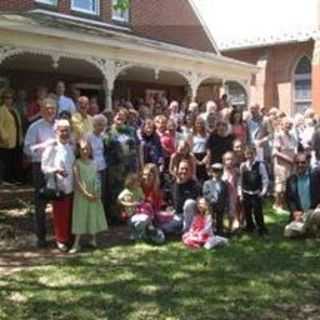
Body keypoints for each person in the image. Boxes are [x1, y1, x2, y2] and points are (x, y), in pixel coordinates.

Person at [24, 98, 57, 248]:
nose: (50, 111)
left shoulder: (59, 126)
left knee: (60, 202)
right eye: (47, 108)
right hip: (40, 167)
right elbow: (27, 149)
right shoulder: (34, 127)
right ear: (41, 109)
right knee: (40, 203)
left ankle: (60, 235)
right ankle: (41, 237)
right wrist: (44, 145)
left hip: (58, 167)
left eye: (53, 108)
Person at [41, 119, 75, 252]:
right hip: (58, 186)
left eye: (67, 130)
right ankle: (61, 240)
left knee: (69, 214)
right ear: (56, 131)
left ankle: (68, 238)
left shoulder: (70, 146)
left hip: (71, 185)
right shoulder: (51, 147)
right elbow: (44, 167)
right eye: (62, 130)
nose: (65, 133)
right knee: (60, 215)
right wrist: (56, 170)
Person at [70, 139, 108, 253]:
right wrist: (85, 193)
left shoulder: (95, 162)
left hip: (94, 193)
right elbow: (77, 181)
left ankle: (93, 239)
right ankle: (76, 243)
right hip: (82, 194)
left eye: (87, 148)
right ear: (79, 150)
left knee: (92, 214)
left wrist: (97, 192)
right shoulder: (76, 163)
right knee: (80, 216)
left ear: (91, 150)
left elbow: (97, 178)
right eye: (82, 149)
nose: (85, 151)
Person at [118, 173, 164, 243]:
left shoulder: (139, 189)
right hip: (130, 213)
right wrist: (129, 204)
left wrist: (140, 202)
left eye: (138, 182)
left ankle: (149, 232)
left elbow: (142, 198)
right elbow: (119, 201)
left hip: (139, 210)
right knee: (138, 222)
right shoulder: (126, 192)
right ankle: (136, 234)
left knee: (146, 217)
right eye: (137, 182)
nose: (139, 183)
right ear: (131, 183)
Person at [284, 152, 320, 238]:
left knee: (318, 214)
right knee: (288, 233)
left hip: (314, 211)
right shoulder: (291, 179)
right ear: (294, 164)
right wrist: (294, 212)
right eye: (297, 162)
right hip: (301, 215)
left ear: (307, 163)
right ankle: (312, 229)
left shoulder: (316, 175)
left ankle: (311, 228)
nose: (300, 165)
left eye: (303, 162)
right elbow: (289, 199)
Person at [238, 146, 269, 236]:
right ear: (245, 155)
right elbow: (241, 180)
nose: (249, 156)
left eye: (251, 154)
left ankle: (261, 228)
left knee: (257, 211)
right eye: (247, 154)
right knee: (247, 211)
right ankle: (249, 226)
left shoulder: (260, 165)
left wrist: (263, 191)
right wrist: (240, 193)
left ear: (255, 154)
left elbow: (265, 179)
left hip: (256, 192)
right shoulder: (243, 165)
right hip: (246, 192)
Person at [273, 117, 297, 213]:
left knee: (289, 185)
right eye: (286, 124)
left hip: (291, 164)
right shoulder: (278, 136)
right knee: (280, 186)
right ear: (282, 125)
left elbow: (294, 150)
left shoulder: (293, 136)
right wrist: (288, 159)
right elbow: (275, 152)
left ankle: (283, 204)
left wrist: (295, 159)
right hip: (281, 164)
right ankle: (277, 205)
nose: (288, 126)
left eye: (290, 124)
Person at [0, 88, 24, 184]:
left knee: (14, 161)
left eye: (11, 98)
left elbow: (18, 125)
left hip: (16, 140)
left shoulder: (14, 110)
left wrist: (21, 137)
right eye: (7, 98)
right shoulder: (1, 110)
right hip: (6, 141)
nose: (9, 100)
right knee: (6, 162)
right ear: (3, 99)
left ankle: (13, 178)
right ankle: (6, 179)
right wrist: (4, 137)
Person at [87, 114, 108, 215]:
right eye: (99, 124)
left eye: (103, 125)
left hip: (102, 166)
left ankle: (101, 216)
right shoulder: (88, 136)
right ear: (94, 125)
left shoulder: (104, 136)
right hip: (92, 168)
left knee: (102, 193)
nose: (101, 127)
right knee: (93, 192)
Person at [203, 163, 229, 235]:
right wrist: (211, 199)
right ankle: (210, 232)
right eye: (215, 171)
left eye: (220, 171)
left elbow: (226, 195)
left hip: (220, 204)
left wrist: (226, 205)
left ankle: (220, 231)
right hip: (211, 205)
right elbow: (205, 193)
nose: (217, 173)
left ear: (222, 172)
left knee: (220, 219)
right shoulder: (207, 183)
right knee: (210, 219)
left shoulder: (224, 184)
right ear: (211, 172)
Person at [191, 116, 209, 184]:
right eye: (198, 123)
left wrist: (205, 159)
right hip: (194, 156)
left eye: (201, 123)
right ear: (195, 124)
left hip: (204, 156)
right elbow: (190, 149)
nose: (199, 125)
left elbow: (208, 149)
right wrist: (196, 160)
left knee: (204, 177)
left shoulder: (207, 135)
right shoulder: (192, 135)